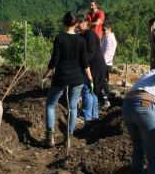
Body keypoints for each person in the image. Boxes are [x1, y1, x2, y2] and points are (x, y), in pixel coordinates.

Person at [43, 12, 93, 147]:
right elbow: (85, 62)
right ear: (76, 23)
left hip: (61, 77)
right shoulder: (81, 40)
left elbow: (54, 60)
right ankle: (69, 138)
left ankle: (50, 137)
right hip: (77, 78)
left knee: (50, 105)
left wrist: (45, 75)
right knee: (72, 107)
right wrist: (90, 78)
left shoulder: (59, 38)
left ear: (64, 23)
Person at [79, 18, 107, 123]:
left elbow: (90, 52)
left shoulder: (89, 34)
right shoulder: (84, 35)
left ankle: (87, 117)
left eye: (82, 22)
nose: (79, 24)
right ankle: (94, 117)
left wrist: (81, 63)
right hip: (96, 65)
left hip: (95, 66)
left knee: (87, 89)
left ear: (87, 23)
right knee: (93, 91)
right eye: (78, 22)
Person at [100, 21, 118, 109]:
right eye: (102, 30)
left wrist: (100, 63)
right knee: (103, 82)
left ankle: (106, 100)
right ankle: (105, 99)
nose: (103, 31)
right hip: (103, 62)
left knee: (103, 82)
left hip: (105, 63)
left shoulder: (110, 39)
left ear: (109, 29)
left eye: (104, 30)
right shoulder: (106, 37)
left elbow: (108, 53)